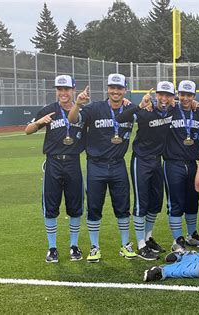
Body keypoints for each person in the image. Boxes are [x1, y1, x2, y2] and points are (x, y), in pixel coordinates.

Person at [68, 73, 138, 262]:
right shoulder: (94, 107)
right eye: (112, 88)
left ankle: (125, 245)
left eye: (119, 88)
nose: (116, 91)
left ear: (125, 90)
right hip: (96, 165)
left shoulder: (131, 108)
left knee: (123, 206)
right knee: (94, 206)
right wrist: (78, 104)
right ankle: (94, 247)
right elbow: (73, 120)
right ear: (108, 89)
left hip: (118, 164)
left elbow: (151, 116)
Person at [25, 75, 85, 263]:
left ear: (73, 90)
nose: (63, 93)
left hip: (73, 162)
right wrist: (39, 122)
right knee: (50, 206)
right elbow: (27, 130)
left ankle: (74, 246)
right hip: (53, 163)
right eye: (59, 89)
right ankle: (52, 248)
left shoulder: (83, 110)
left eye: (66, 89)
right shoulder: (49, 110)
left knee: (75, 205)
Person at [115, 81, 176, 260]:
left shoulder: (173, 110)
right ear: (156, 95)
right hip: (141, 160)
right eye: (161, 95)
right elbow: (120, 119)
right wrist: (139, 105)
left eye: (168, 95)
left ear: (173, 97)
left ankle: (148, 238)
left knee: (156, 201)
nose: (164, 98)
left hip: (157, 160)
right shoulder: (146, 110)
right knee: (142, 202)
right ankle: (141, 244)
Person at [163, 80, 199, 252]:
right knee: (176, 201)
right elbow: (159, 105)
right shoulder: (170, 110)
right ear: (178, 95)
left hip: (192, 163)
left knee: (193, 200)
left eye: (189, 95)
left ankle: (192, 235)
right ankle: (177, 239)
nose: (185, 98)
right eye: (183, 95)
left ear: (194, 96)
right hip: (173, 162)